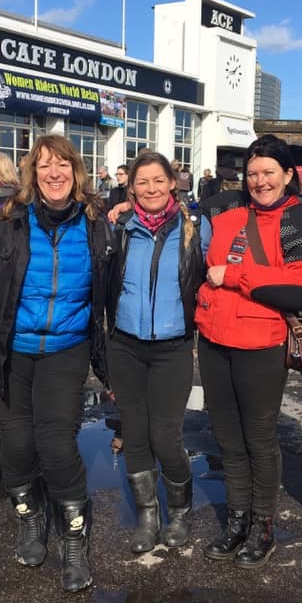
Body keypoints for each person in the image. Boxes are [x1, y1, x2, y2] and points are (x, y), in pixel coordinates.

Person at [0, 134, 111, 592]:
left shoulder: (96, 224)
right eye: (44, 165)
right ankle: (30, 517)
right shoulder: (9, 220)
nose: (54, 173)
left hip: (66, 348)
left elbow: (111, 290)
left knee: (56, 446)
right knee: (16, 445)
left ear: (76, 172)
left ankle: (74, 535)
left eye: (63, 165)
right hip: (12, 349)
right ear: (31, 174)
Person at [196, 134, 302, 569]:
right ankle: (236, 520)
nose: (260, 181)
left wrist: (234, 275)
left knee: (258, 439)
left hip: (260, 345)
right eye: (253, 173)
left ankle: (262, 526)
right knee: (228, 439)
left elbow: (298, 288)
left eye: (269, 172)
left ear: (288, 175)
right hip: (214, 340)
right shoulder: (226, 213)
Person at [107, 152, 210, 553]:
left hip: (173, 347)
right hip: (125, 345)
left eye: (158, 180)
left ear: (173, 183)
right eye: (142, 182)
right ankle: (148, 515)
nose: (151, 189)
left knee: (166, 436)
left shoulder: (197, 229)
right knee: (134, 434)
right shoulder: (119, 227)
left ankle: (180, 512)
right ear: (131, 188)